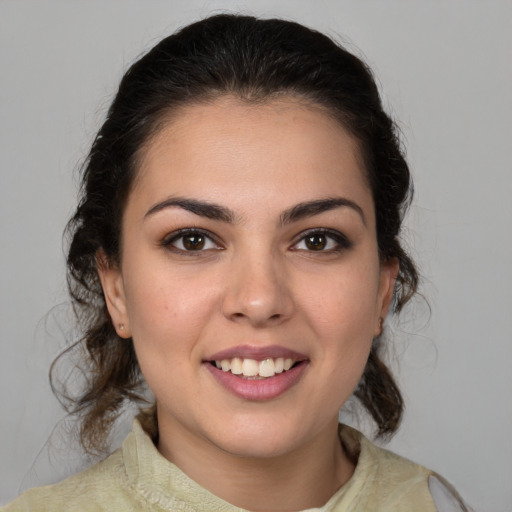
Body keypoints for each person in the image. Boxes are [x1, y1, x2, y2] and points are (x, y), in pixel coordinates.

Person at [2, 13, 472, 512]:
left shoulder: (437, 504)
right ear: (115, 287)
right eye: (192, 241)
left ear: (382, 287)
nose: (259, 299)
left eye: (316, 240)